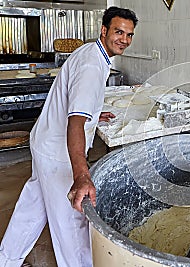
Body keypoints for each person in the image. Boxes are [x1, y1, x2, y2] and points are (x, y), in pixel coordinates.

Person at [0, 6, 138, 267]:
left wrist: (94, 113)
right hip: (58, 153)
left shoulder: (90, 52)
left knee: (32, 208)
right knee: (73, 225)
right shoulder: (91, 66)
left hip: (44, 141)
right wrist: (81, 176)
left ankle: (5, 260)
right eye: (118, 32)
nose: (124, 40)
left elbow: (76, 107)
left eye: (129, 35)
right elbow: (75, 124)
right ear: (104, 30)